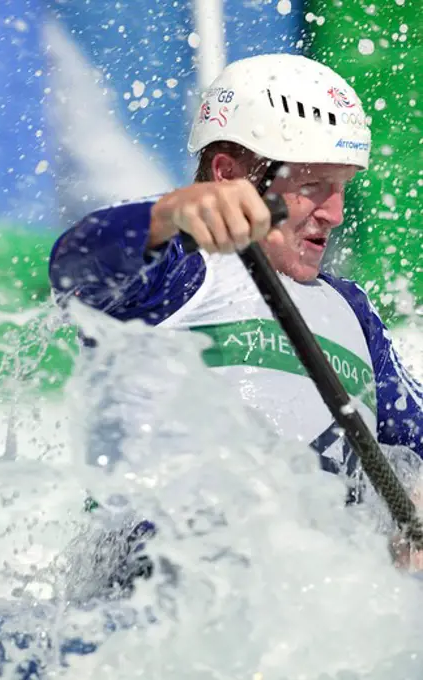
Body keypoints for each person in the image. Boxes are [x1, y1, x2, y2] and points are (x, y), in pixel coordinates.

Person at [49, 53, 423, 574]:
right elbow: (75, 266)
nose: (335, 214)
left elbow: (416, 439)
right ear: (229, 175)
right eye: (313, 186)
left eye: (341, 188)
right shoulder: (175, 271)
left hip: (312, 622)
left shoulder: (352, 311)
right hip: (148, 617)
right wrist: (168, 216)